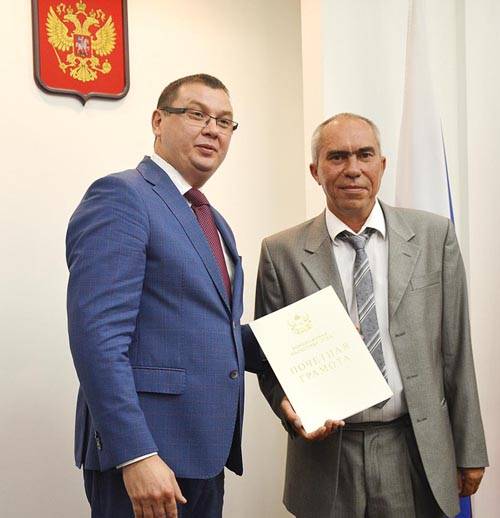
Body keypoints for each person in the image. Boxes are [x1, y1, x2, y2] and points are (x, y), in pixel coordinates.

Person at [255, 113, 488, 517]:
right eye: (337, 157)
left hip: (415, 448)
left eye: (364, 155)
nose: (353, 169)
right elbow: (269, 359)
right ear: (315, 170)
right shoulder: (281, 253)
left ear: (382, 164)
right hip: (327, 460)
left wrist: (469, 449)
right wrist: (288, 407)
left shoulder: (434, 236)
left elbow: (457, 350)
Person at [66, 73, 261, 518]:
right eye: (197, 114)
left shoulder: (211, 219)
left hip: (204, 454)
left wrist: (312, 339)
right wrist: (136, 454)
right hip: (147, 459)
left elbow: (215, 332)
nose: (212, 130)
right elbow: (98, 338)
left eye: (224, 121)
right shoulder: (121, 196)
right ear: (158, 121)